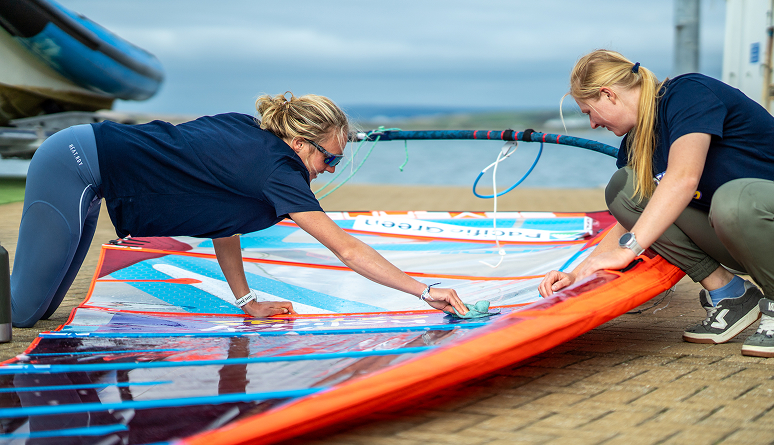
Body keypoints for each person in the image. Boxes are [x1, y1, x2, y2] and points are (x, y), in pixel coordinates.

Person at [10, 92, 468, 327]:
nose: (330, 169)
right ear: (298, 142)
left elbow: (221, 221)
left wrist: (247, 302)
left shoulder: (256, 139)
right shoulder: (277, 170)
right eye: (329, 158)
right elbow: (345, 249)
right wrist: (422, 290)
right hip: (72, 164)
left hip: (93, 172)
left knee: (43, 308)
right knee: (21, 311)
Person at [538, 49, 774, 358]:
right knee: (624, 188)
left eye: (589, 112)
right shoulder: (636, 143)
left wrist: (628, 251)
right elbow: (633, 221)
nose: (593, 124)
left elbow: (684, 178)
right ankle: (731, 295)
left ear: (608, 94)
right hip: (745, 237)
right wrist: (578, 272)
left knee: (734, 198)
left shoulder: (688, 93)